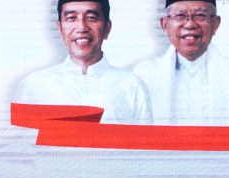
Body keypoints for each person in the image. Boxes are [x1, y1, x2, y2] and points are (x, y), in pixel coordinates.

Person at [14, 0, 152, 124]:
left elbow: (145, 149)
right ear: (60, 29)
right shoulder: (34, 86)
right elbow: (20, 148)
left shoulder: (132, 86)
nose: (81, 27)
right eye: (71, 18)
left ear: (107, 28)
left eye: (91, 18)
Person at [133, 0, 229, 126]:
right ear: (165, 25)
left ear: (215, 24)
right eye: (180, 16)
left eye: (200, 16)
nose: (189, 24)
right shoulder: (144, 76)